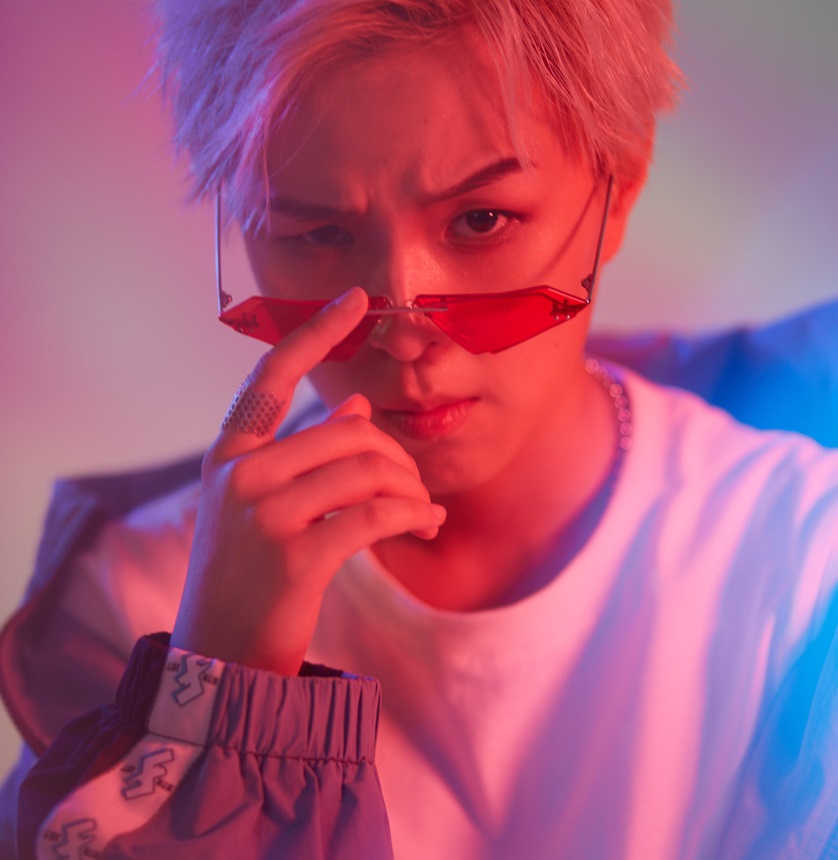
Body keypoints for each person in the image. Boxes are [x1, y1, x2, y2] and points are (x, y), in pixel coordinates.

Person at [1, 0, 837, 857]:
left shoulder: (807, 563)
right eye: (320, 232)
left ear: (619, 186)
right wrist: (219, 699)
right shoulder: (141, 597)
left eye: (481, 220)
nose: (402, 329)